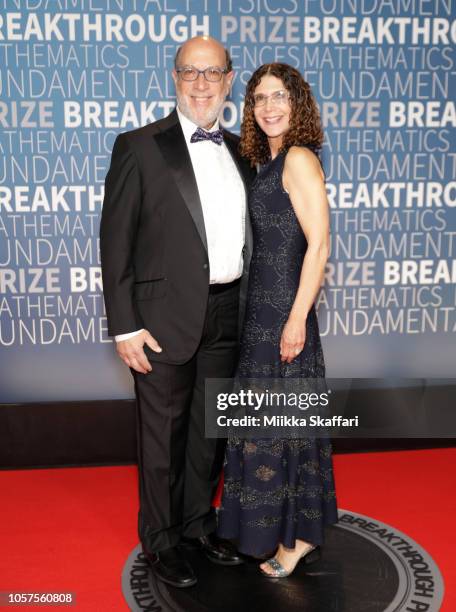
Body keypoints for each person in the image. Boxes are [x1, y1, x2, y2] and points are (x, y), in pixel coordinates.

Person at [100, 36, 254, 589]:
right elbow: (114, 242)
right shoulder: (140, 147)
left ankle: (196, 527)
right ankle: (162, 542)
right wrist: (124, 324)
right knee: (163, 438)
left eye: (213, 73)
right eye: (191, 72)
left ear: (230, 81)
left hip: (227, 314)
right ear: (174, 78)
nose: (202, 84)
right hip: (160, 322)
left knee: (208, 434)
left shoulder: (242, 150)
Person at [217, 63, 338, 578]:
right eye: (260, 98)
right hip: (259, 313)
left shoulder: (300, 158)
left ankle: (299, 537)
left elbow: (320, 245)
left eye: (280, 96)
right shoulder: (263, 161)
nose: (269, 106)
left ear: (298, 103)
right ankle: (273, 530)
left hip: (285, 315)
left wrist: (296, 319)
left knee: (287, 428)